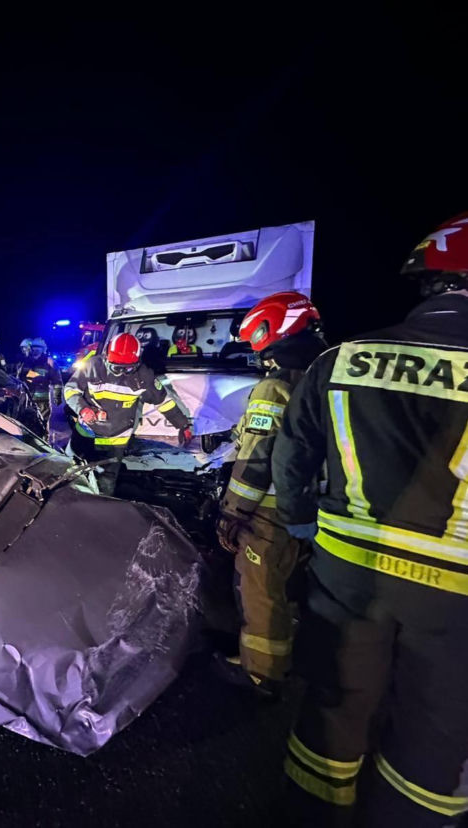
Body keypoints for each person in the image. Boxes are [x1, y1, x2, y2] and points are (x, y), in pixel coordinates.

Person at [273, 212, 468, 827]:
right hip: (454, 591)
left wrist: (301, 521)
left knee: (335, 700)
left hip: (345, 569)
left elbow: (292, 456)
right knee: (436, 727)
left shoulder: (342, 360)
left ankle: (311, 812)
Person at [212, 291, 326, 700]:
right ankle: (286, 650)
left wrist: (233, 512)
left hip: (269, 512)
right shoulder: (323, 374)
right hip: (309, 507)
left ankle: (261, 672)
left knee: (259, 587)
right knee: (288, 584)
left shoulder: (273, 387)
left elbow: (258, 459)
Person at [65, 332, 192, 496]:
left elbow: (164, 402)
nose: (121, 373)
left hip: (115, 441)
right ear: (106, 357)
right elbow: (70, 390)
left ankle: (97, 513)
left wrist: (183, 425)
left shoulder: (144, 376)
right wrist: (83, 408)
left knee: (104, 484)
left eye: (128, 368)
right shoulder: (92, 366)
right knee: (69, 473)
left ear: (138, 361)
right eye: (116, 367)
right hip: (85, 434)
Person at [16, 337, 63, 437]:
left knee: (42, 422)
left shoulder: (49, 362)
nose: (35, 349)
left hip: (43, 400)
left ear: (43, 349)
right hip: (27, 399)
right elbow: (20, 378)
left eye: (38, 347)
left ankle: (43, 441)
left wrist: (57, 396)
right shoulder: (26, 361)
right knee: (26, 422)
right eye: (34, 347)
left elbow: (57, 381)